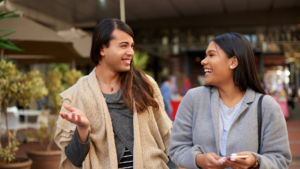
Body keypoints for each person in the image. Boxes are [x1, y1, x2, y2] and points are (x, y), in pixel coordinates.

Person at [54, 18, 176, 169]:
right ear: (102, 49)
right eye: (123, 46)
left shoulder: (145, 85)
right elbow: (75, 160)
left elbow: (166, 135)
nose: (130, 52)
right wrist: (82, 128)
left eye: (131, 46)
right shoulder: (76, 95)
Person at [169, 33, 291, 169]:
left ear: (233, 62)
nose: (203, 61)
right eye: (205, 55)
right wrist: (198, 159)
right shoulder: (193, 99)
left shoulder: (267, 106)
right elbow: (176, 148)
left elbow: (281, 160)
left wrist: (255, 161)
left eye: (211, 55)